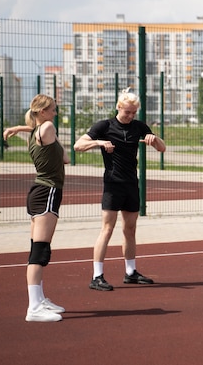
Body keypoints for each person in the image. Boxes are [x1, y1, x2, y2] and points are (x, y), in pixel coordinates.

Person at [74, 89, 166, 291]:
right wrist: (98, 142)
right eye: (127, 112)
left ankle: (131, 272)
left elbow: (162, 148)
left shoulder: (139, 126)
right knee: (107, 229)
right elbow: (77, 145)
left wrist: (154, 138)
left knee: (130, 229)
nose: (131, 116)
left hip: (132, 184)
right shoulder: (104, 126)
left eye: (134, 112)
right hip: (112, 184)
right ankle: (97, 276)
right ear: (118, 107)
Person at [3, 94, 70, 322]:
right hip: (47, 192)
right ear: (42, 112)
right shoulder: (48, 127)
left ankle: (39, 299)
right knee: (39, 252)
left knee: (38, 248)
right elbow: (67, 158)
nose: (55, 112)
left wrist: (19, 127)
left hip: (38, 192)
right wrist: (22, 127)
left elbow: (34, 128)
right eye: (52, 109)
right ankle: (33, 308)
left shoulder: (35, 133)